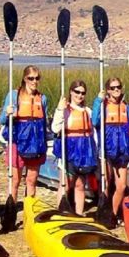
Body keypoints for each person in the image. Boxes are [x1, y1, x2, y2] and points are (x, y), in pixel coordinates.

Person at [0, 65, 48, 199]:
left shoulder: (42, 98)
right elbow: (2, 120)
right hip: (18, 142)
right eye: (30, 78)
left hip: (36, 144)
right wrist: (7, 113)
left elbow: (44, 123)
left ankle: (29, 213)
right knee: (15, 181)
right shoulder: (14, 95)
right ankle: (11, 211)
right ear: (24, 78)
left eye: (37, 78)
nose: (34, 81)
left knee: (31, 181)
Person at [51, 80, 97, 216]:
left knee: (80, 186)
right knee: (64, 185)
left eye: (83, 93)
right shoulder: (65, 110)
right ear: (71, 92)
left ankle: (79, 213)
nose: (80, 95)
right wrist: (60, 109)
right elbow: (55, 128)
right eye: (77, 92)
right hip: (69, 152)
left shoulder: (88, 111)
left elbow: (93, 135)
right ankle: (61, 212)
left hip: (84, 154)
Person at [92, 76, 129, 222]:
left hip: (122, 151)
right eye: (113, 88)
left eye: (118, 87)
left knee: (121, 186)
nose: (116, 90)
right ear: (108, 90)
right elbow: (95, 121)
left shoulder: (126, 107)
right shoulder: (103, 105)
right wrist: (98, 100)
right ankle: (103, 212)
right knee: (106, 184)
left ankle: (113, 215)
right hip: (107, 149)